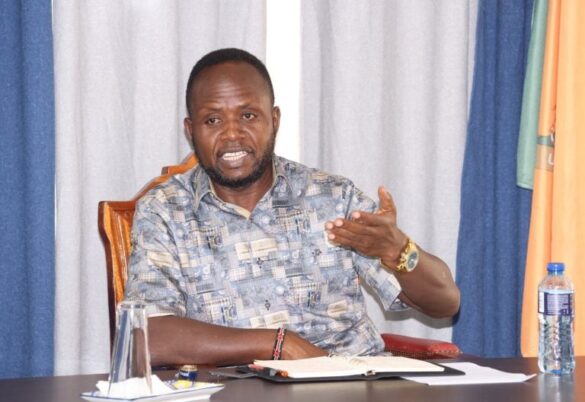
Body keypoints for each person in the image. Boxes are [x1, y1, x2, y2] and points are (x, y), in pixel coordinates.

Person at [125, 48, 460, 367]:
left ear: (274, 120)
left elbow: (445, 303)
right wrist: (278, 344)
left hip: (353, 384)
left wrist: (399, 250)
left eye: (248, 116)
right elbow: (145, 337)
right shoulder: (165, 211)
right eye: (212, 120)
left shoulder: (334, 197)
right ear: (190, 131)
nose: (231, 135)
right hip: (239, 391)